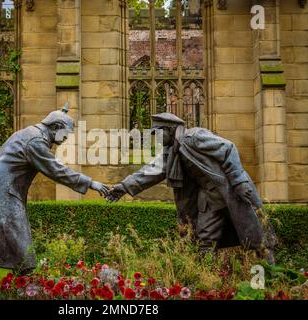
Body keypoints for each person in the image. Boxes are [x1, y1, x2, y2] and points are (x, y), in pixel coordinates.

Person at [0, 103, 110, 271]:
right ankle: (25, 279)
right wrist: (91, 183)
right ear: (55, 127)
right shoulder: (36, 141)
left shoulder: (28, 132)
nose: (65, 139)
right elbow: (56, 170)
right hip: (3, 187)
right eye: (65, 134)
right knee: (16, 234)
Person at [107, 112, 277, 264]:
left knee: (256, 236)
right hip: (209, 198)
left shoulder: (194, 137)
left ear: (170, 129)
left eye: (158, 133)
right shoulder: (170, 152)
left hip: (231, 191)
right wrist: (123, 187)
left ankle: (270, 274)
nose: (156, 138)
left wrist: (239, 181)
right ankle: (208, 279)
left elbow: (228, 148)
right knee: (205, 238)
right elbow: (150, 171)